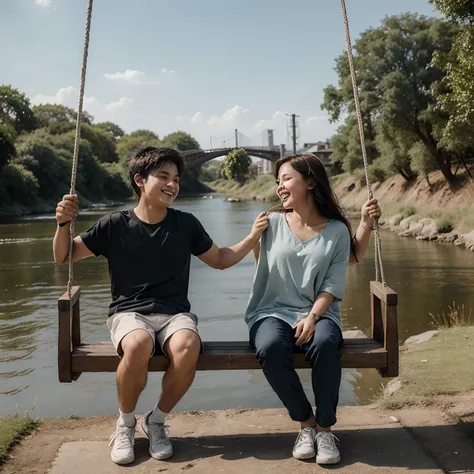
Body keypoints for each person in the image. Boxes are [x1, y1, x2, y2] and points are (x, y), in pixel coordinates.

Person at [53, 147, 269, 466]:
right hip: (129, 313)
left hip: (174, 314)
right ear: (140, 180)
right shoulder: (114, 224)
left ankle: (155, 421)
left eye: (176, 179)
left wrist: (252, 236)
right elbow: (64, 255)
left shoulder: (185, 224)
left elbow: (221, 259)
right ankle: (125, 424)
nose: (172, 184)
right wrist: (62, 225)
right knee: (138, 343)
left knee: (187, 346)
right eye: (164, 177)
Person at [245, 154, 381, 465]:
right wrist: (254, 240)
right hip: (270, 311)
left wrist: (365, 223)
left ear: (309, 181)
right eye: (278, 180)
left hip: (319, 312)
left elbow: (335, 281)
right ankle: (305, 422)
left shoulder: (334, 230)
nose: (280, 186)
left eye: (286, 179)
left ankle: (325, 429)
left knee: (324, 343)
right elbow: (259, 265)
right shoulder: (270, 222)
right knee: (269, 347)